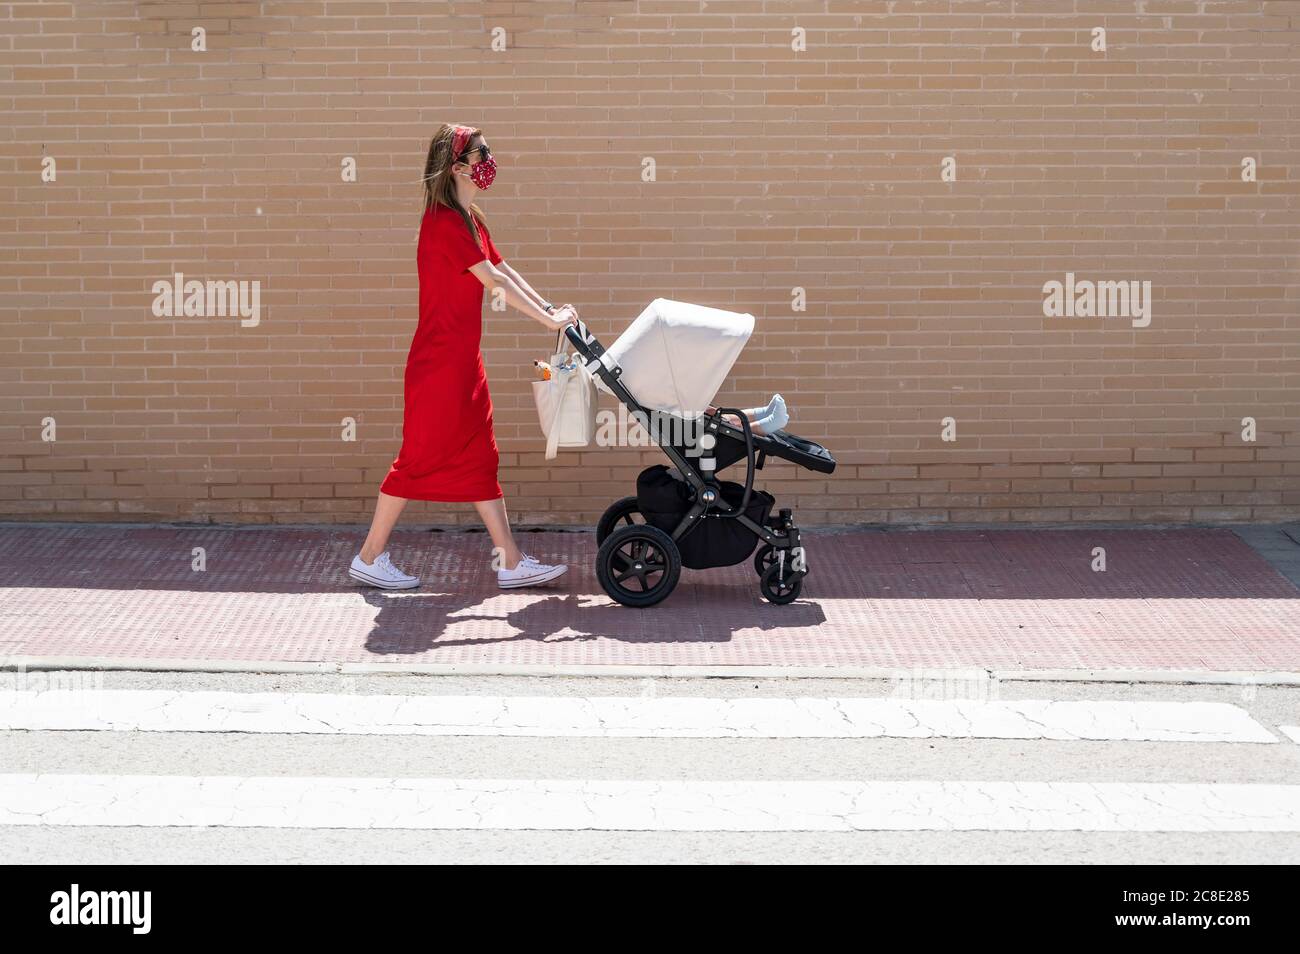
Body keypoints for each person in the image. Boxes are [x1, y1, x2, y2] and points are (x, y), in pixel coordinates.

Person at [348, 124, 577, 591]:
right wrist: (547, 321)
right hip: (438, 366)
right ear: (458, 167)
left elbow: (503, 268)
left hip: (461, 361)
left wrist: (549, 308)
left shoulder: (471, 218)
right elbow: (493, 281)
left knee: (479, 459)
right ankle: (369, 557)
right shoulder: (444, 222)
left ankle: (510, 561)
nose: (489, 160)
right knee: (416, 460)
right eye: (481, 153)